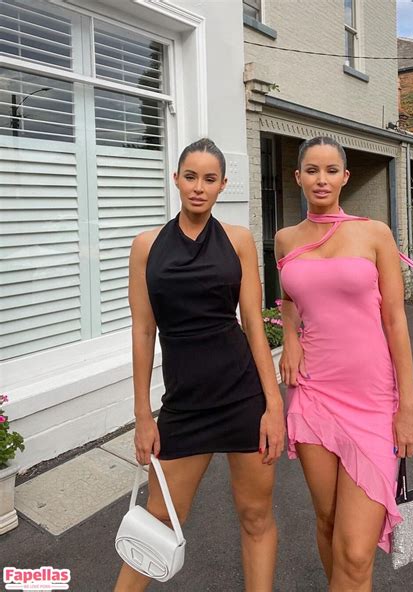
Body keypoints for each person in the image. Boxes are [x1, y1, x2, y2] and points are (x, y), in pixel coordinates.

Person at [275, 136, 413, 592]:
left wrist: (408, 405)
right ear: (298, 177)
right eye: (312, 170)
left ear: (345, 177)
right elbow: (290, 297)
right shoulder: (285, 239)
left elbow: (395, 320)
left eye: (331, 170)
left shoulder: (374, 233)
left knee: (356, 551)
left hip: (373, 399)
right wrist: (290, 337)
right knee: (328, 520)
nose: (321, 179)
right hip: (313, 393)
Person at [114, 138, 285, 592]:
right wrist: (143, 415)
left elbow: (253, 325)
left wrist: (274, 406)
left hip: (242, 398)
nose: (198, 187)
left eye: (209, 179)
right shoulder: (146, 246)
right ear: (176, 179)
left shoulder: (239, 240)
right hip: (184, 405)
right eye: (190, 176)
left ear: (223, 185)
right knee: (157, 522)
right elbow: (143, 331)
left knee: (256, 516)